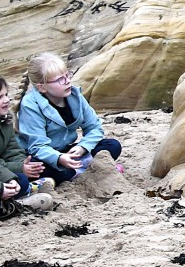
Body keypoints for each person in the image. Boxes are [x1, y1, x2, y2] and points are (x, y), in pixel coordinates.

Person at [17, 52, 122, 185]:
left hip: (68, 150)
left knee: (112, 145)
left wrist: (83, 147)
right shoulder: (30, 105)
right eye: (60, 79)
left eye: (67, 75)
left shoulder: (75, 95)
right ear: (41, 87)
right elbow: (37, 146)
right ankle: (83, 169)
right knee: (39, 169)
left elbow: (94, 127)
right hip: (44, 156)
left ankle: (78, 169)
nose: (67, 81)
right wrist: (59, 158)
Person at [0, 74, 54, 215]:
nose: (6, 100)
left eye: (6, 95)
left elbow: (12, 148)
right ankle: (19, 204)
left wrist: (22, 164)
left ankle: (17, 199)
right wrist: (1, 186)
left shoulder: (4, 120)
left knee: (22, 179)